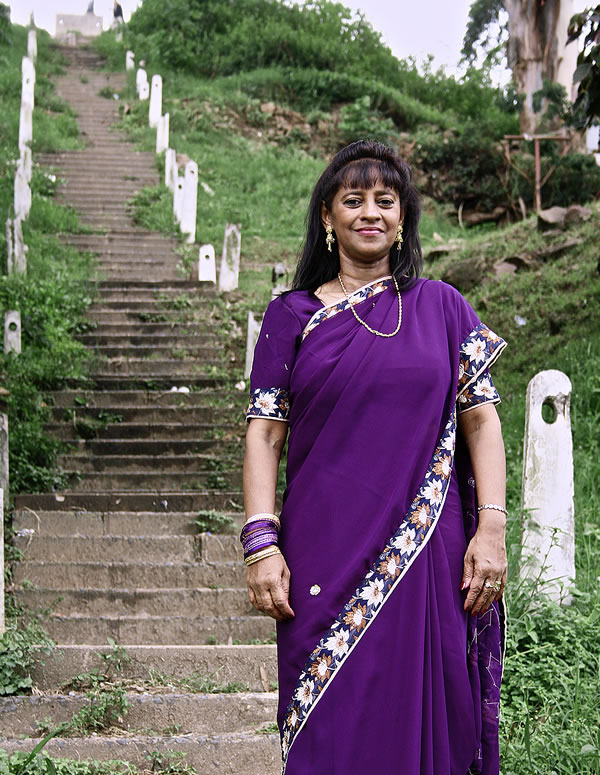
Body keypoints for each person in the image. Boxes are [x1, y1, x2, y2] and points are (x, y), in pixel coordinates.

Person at [242, 139, 507, 775]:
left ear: (403, 218)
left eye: (385, 201)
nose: (370, 212)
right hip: (321, 555)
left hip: (427, 558)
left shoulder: (442, 308)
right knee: (328, 728)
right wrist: (260, 543)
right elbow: (264, 433)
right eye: (352, 200)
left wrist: (492, 526)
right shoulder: (292, 315)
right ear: (327, 219)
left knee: (430, 715)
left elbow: (481, 419)